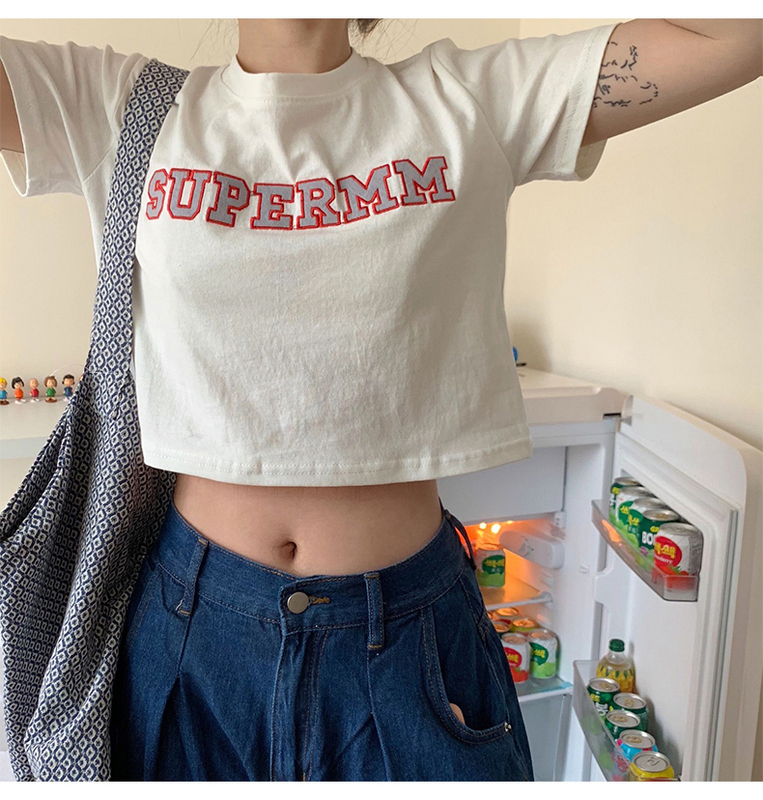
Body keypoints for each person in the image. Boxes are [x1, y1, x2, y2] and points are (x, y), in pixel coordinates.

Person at [0, 17, 760, 782]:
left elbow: (734, 36)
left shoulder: (470, 100)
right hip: (190, 635)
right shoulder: (120, 106)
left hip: (406, 640)